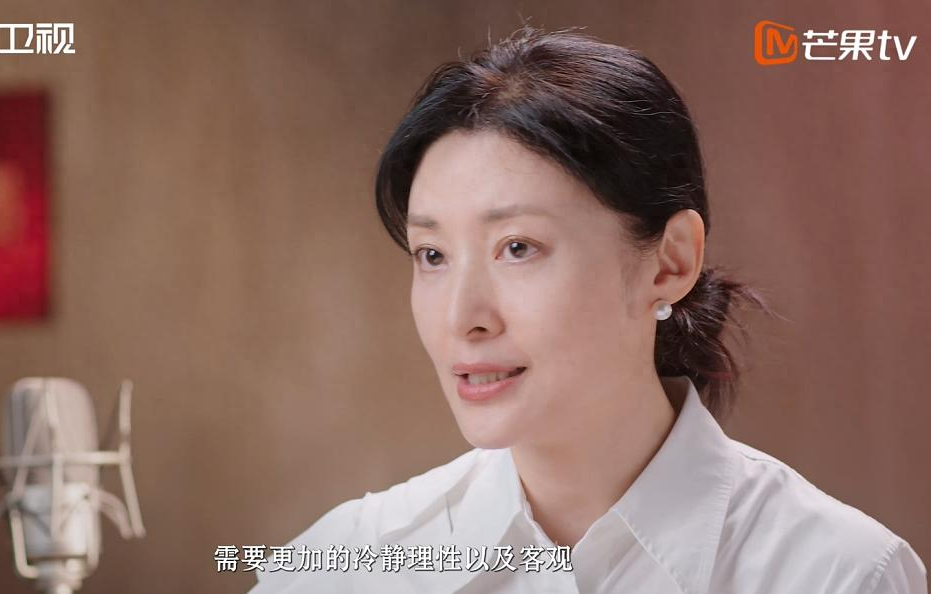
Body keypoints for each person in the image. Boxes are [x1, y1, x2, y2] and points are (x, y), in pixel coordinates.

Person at [249, 26, 927, 593]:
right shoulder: (350, 564)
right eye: (433, 255)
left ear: (670, 263)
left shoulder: (836, 574)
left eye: (518, 248)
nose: (462, 318)